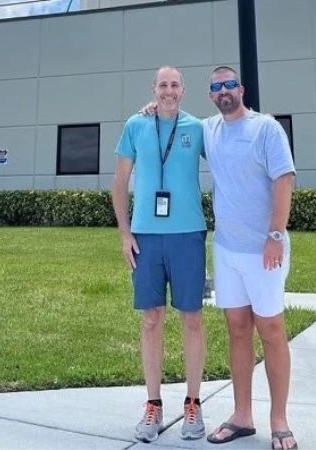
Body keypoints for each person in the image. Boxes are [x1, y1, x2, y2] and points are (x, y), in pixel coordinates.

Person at [201, 66, 298, 450]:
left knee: (271, 329)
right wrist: (153, 107)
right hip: (226, 250)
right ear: (211, 95)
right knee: (238, 329)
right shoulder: (208, 129)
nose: (224, 90)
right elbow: (176, 121)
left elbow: (284, 179)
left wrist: (275, 235)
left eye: (229, 84)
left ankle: (279, 420)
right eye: (216, 87)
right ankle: (242, 415)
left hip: (264, 250)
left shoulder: (266, 129)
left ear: (241, 89)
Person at [111, 66, 208, 443]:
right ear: (154, 90)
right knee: (151, 319)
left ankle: (193, 404)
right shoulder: (136, 125)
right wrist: (125, 233)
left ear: (183, 90)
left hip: (188, 235)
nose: (168, 91)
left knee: (192, 318)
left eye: (174, 85)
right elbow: (119, 182)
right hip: (146, 237)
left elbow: (229, 151)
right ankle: (153, 405)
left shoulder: (197, 128)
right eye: (162, 85)